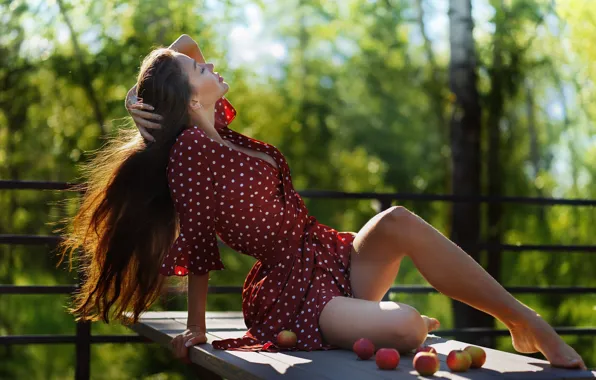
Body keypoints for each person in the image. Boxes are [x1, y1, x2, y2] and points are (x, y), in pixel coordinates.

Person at [58, 34, 586, 370]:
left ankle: (525, 321)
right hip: (292, 293)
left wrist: (141, 94)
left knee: (397, 220)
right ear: (192, 97)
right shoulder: (192, 153)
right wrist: (196, 326)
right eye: (200, 71)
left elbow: (185, 44)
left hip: (327, 256)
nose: (210, 62)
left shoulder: (215, 127)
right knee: (405, 325)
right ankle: (404, 323)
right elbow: (196, 244)